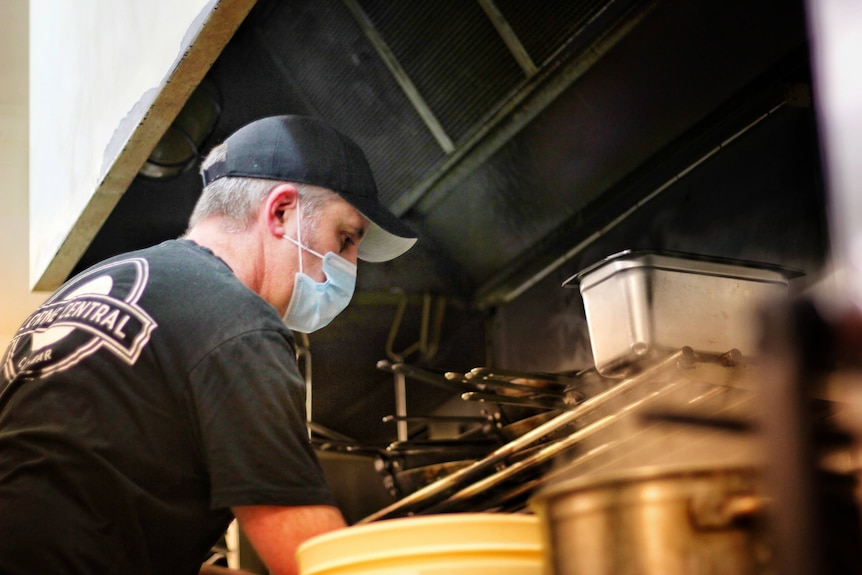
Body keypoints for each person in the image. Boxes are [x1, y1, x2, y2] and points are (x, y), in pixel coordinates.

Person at [0, 115, 418, 575]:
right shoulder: (236, 322)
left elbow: (86, 525)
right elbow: (311, 558)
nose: (351, 266)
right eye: (344, 239)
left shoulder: (102, 283)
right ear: (280, 212)